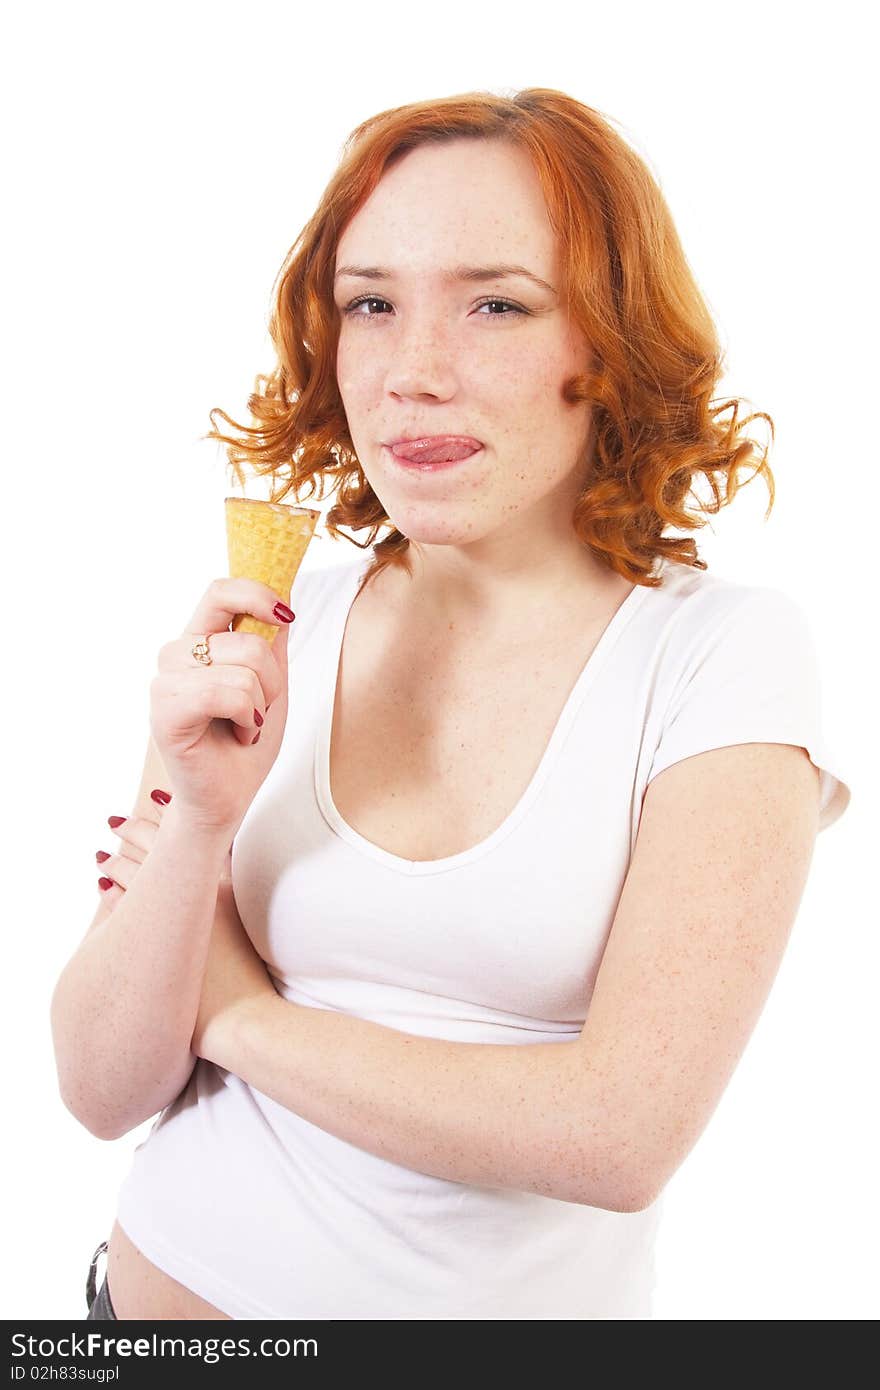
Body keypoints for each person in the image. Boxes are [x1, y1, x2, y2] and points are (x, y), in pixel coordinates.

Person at [51, 87, 851, 1322]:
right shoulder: (276, 626)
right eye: (371, 303)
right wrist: (199, 822)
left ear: (608, 344)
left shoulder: (722, 655)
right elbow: (103, 1090)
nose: (414, 374)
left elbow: (620, 1137)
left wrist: (246, 1019)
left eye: (495, 304)